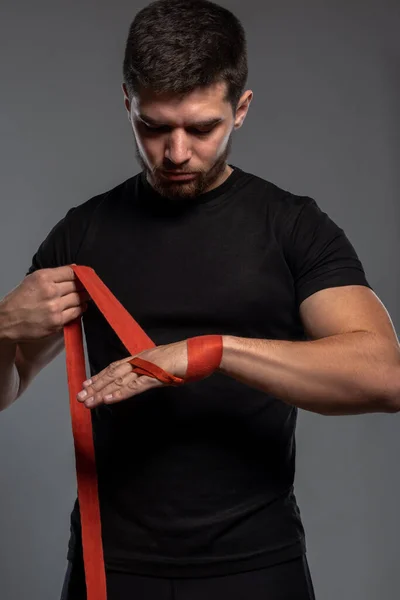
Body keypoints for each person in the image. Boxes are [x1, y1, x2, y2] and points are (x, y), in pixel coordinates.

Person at [1, 0, 399, 598]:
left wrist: (212, 352)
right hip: (110, 569)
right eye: (154, 126)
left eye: (201, 127)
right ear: (127, 104)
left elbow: (384, 377)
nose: (177, 152)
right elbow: (4, 387)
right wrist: (3, 324)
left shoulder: (293, 227)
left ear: (240, 109)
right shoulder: (80, 234)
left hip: (257, 568)